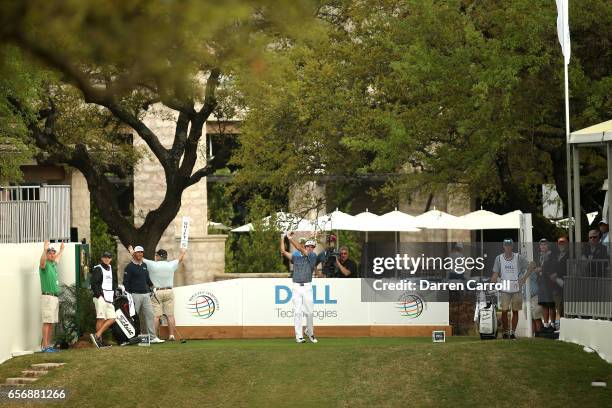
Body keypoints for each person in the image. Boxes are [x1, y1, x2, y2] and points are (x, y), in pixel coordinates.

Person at [491, 238, 534, 340]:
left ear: (512, 246)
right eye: (506, 246)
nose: (508, 247)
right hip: (504, 288)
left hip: (516, 289)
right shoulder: (499, 258)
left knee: (515, 311)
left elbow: (531, 266)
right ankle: (505, 332)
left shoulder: (518, 257)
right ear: (503, 246)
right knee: (504, 311)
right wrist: (491, 283)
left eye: (509, 245)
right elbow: (495, 273)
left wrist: (523, 279)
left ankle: (513, 332)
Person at [280, 232, 318, 343]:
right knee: (297, 312)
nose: (310, 248)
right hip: (296, 286)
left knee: (309, 312)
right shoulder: (296, 258)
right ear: (305, 246)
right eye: (308, 246)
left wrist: (290, 237)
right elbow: (283, 251)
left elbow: (299, 248)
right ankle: (299, 336)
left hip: (307, 287)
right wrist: (282, 237)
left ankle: (310, 332)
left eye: (312, 247)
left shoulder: (312, 256)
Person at [123, 246, 164, 343]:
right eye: (138, 252)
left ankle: (153, 337)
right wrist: (128, 295)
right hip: (134, 295)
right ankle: (133, 337)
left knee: (150, 315)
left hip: (146, 294)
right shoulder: (129, 267)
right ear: (134, 254)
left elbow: (147, 279)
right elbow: (126, 282)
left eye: (141, 252)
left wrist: (152, 286)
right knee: (133, 317)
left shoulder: (144, 265)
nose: (140, 254)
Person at [143, 247, 186, 341]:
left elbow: (139, 258)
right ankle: (171, 335)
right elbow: (180, 258)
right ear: (166, 257)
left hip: (157, 292)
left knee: (156, 316)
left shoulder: (152, 264)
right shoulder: (171, 264)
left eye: (156, 255)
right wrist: (182, 252)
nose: (155, 257)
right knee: (170, 315)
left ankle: (153, 337)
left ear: (158, 256)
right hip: (169, 291)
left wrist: (132, 251)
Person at [39, 241, 65, 352]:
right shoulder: (44, 266)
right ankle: (45, 347)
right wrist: (44, 249)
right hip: (48, 297)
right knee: (47, 322)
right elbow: (42, 261)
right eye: (50, 253)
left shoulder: (53, 264)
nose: (52, 254)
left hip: (54, 297)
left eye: (53, 253)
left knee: (51, 322)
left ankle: (48, 345)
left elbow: (58, 258)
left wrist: (62, 249)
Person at [89, 251, 117, 348]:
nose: (106, 259)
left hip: (109, 298)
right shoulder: (98, 268)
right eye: (105, 257)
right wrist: (99, 295)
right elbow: (94, 283)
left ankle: (97, 335)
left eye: (108, 257)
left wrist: (113, 295)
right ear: (102, 258)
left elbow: (112, 283)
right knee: (101, 318)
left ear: (111, 259)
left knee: (112, 318)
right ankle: (99, 342)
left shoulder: (110, 269)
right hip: (101, 297)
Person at [534, 239, 557, 332]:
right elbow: (537, 267)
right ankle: (546, 324)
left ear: (548, 246)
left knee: (550, 304)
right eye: (541, 245)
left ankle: (553, 324)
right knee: (544, 304)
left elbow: (552, 268)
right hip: (541, 282)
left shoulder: (552, 255)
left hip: (549, 283)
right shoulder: (539, 256)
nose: (543, 246)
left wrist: (541, 270)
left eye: (544, 245)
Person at [552, 236, 569, 325]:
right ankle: (557, 324)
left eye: (563, 242)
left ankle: (561, 324)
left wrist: (557, 275)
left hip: (565, 283)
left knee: (563, 306)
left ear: (567, 244)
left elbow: (568, 269)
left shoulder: (570, 255)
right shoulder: (556, 255)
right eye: (559, 242)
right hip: (555, 284)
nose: (561, 244)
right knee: (557, 305)